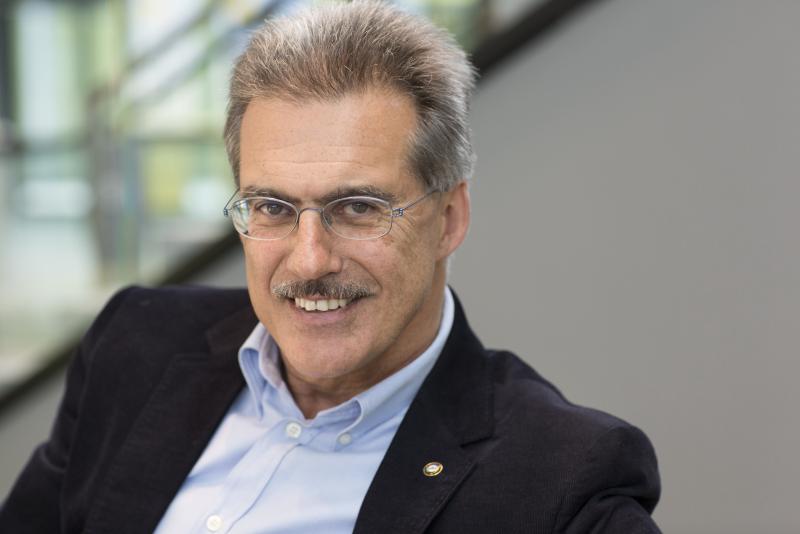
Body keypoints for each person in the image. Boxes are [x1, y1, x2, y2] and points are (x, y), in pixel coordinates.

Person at [1, 2, 661, 532]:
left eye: (359, 208)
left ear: (449, 218)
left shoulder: (559, 479)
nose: (310, 259)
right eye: (272, 207)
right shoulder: (136, 343)